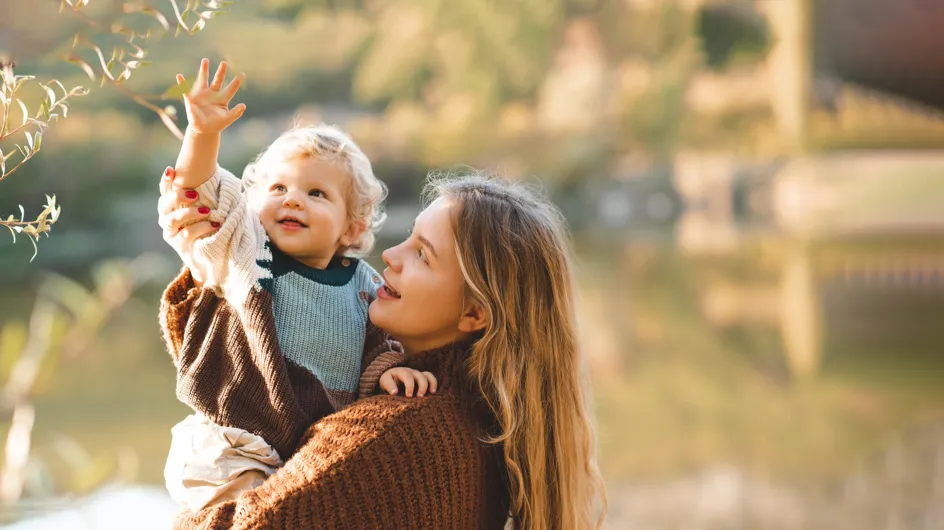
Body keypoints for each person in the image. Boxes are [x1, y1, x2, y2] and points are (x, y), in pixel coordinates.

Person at [158, 168, 608, 529]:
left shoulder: (390, 435)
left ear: (475, 313)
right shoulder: (477, 420)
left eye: (422, 255)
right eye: (408, 237)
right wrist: (216, 272)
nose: (391, 254)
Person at [159, 59, 434, 513]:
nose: (292, 199)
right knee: (253, 518)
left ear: (351, 227)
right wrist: (202, 134)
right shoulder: (246, 252)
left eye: (316, 194)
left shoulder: (362, 283)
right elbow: (201, 192)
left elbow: (377, 344)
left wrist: (387, 372)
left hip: (300, 450)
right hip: (232, 444)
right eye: (279, 187)